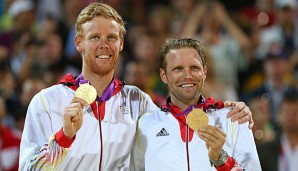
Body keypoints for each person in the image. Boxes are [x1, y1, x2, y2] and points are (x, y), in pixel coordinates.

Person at [19, 3, 253, 170]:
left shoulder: (138, 101)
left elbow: (177, 115)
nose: (104, 45)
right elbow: (29, 168)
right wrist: (64, 137)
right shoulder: (47, 102)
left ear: (121, 44)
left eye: (111, 37)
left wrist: (227, 108)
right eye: (94, 38)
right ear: (78, 43)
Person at [132, 38, 262, 171]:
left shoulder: (234, 118)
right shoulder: (144, 125)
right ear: (164, 75)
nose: (187, 75)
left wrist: (222, 161)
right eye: (178, 69)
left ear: (204, 73)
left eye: (194, 68)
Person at [258, 92, 298, 171]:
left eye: (295, 113)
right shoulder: (266, 149)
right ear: (279, 116)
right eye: (287, 113)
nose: (290, 117)